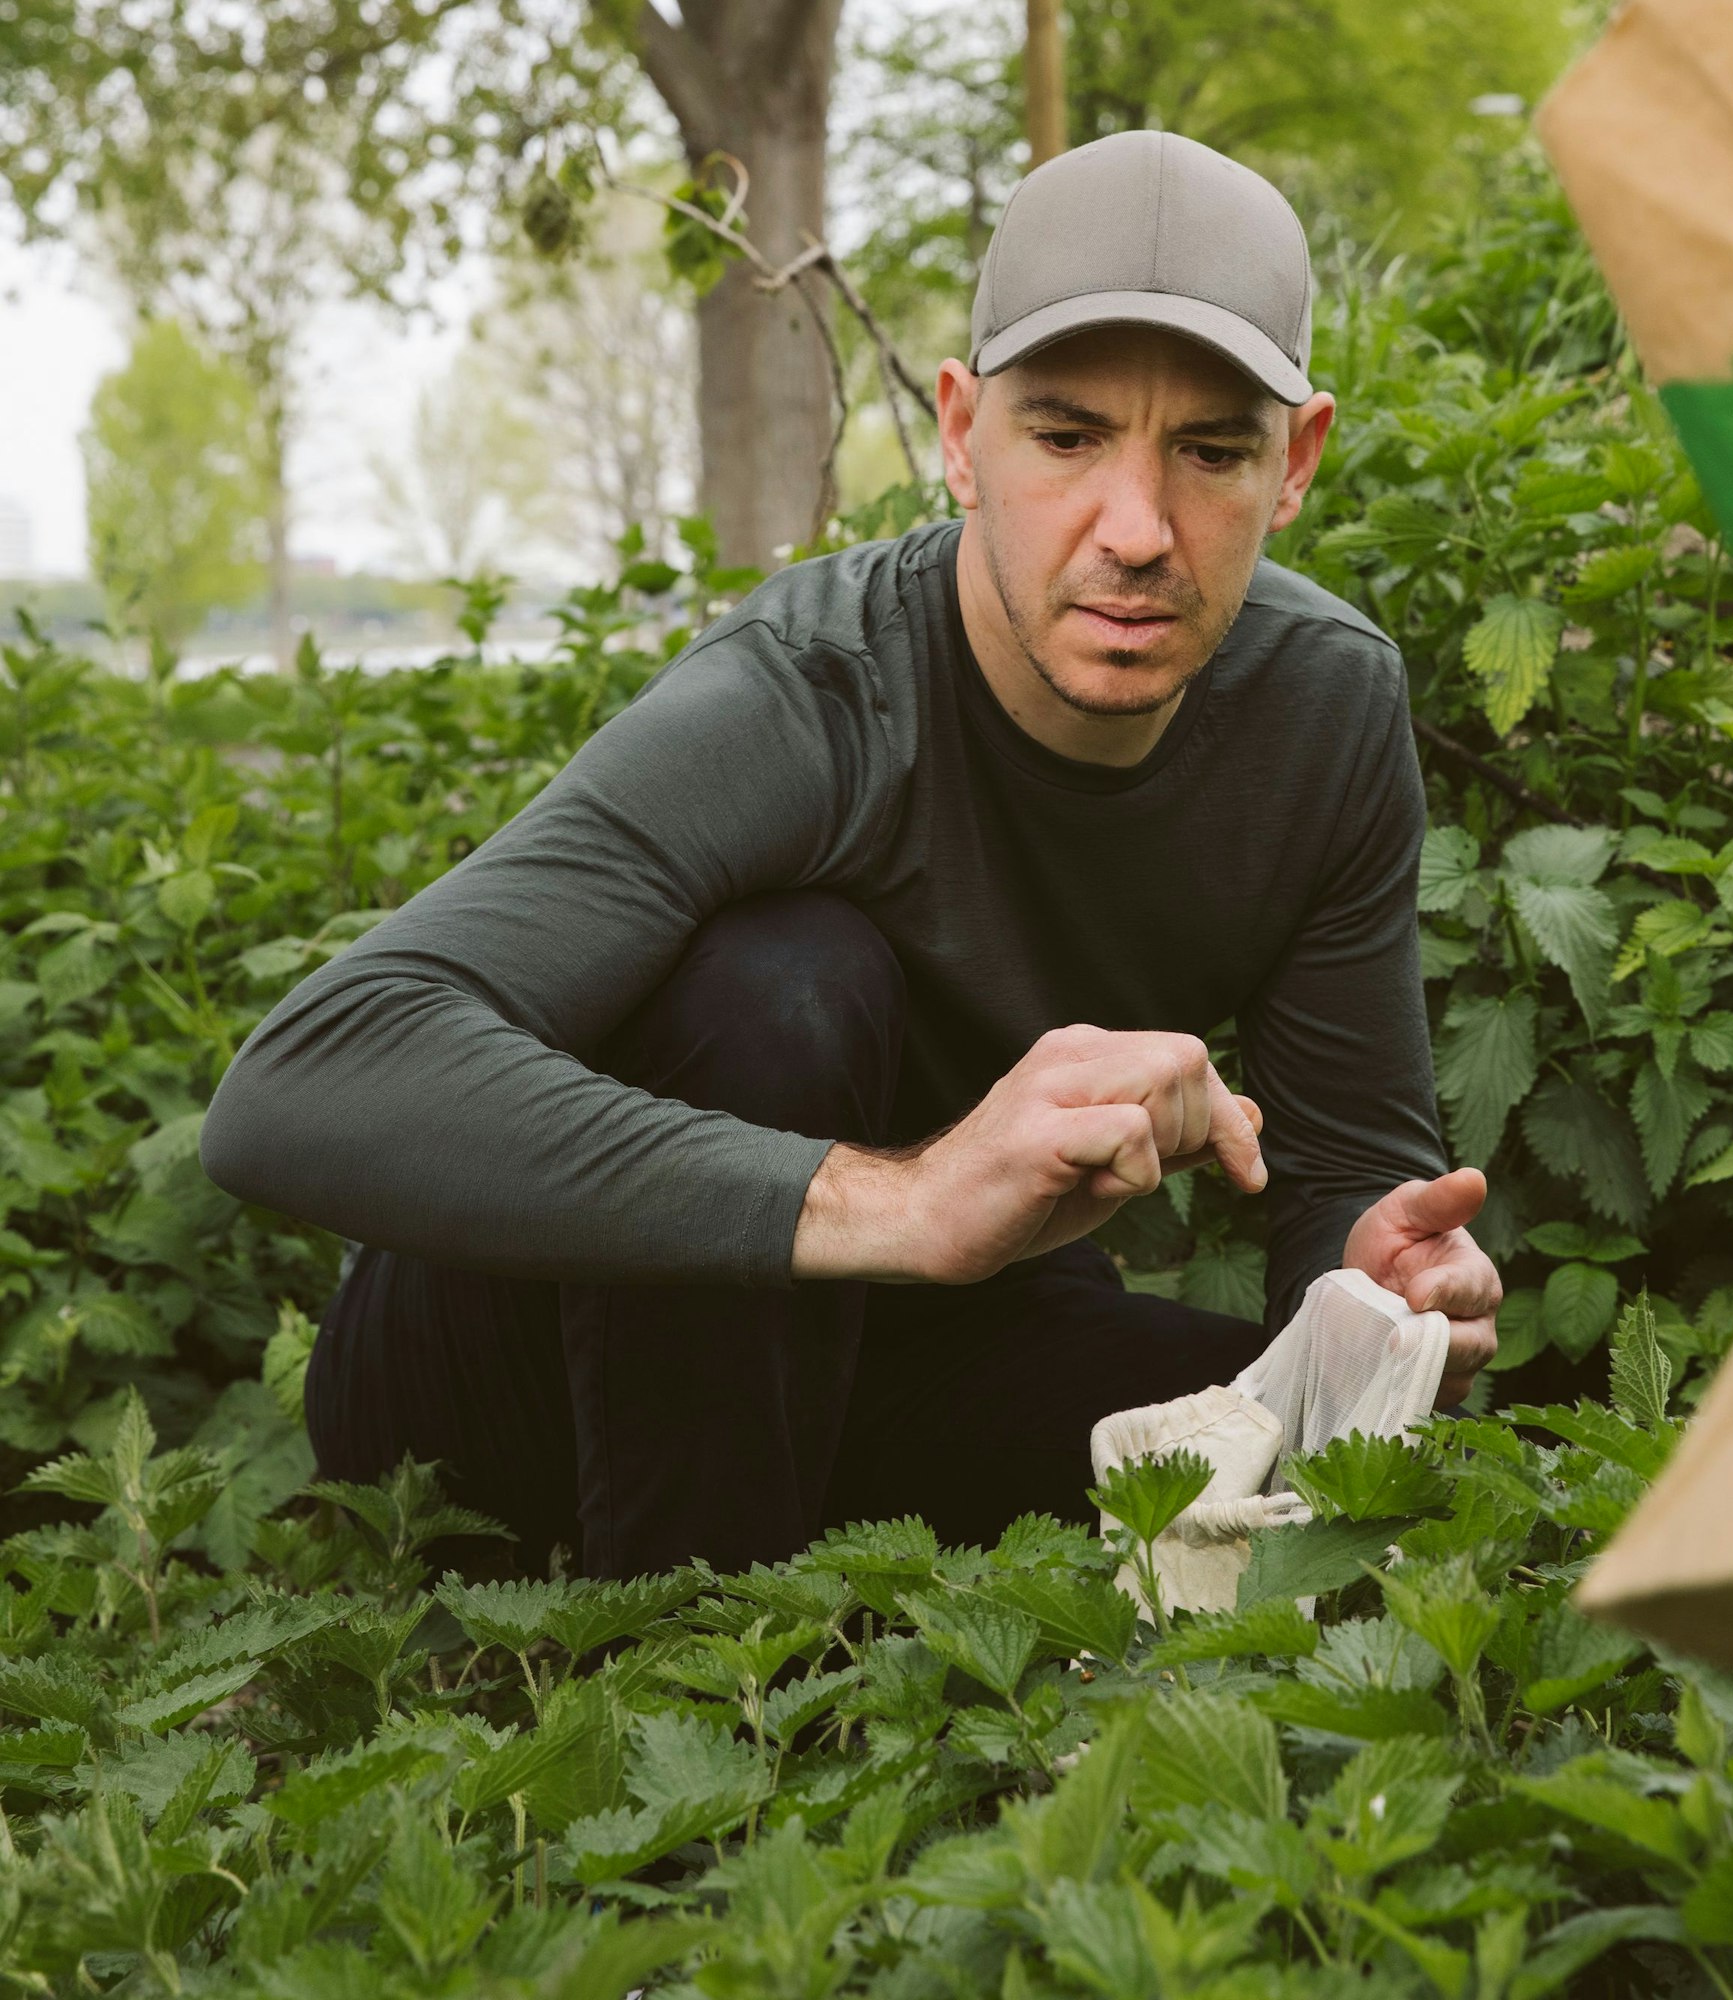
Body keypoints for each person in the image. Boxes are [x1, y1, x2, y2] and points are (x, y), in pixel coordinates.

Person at [199, 129, 1502, 1582]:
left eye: (1211, 452)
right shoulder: (809, 692)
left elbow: (1348, 1171)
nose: (1137, 531)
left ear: (1296, 461)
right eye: (1065, 438)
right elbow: (301, 1084)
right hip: (517, 1369)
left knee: (1311, 1451)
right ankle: (690, 1659)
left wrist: (1375, 1295)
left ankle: (831, 1579)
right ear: (960, 434)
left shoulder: (1322, 708)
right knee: (785, 978)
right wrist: (907, 1202)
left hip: (917, 1355)